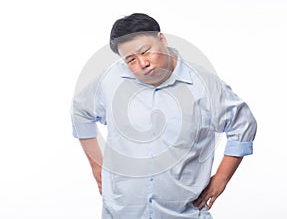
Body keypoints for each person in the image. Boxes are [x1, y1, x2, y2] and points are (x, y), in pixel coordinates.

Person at [71, 13, 257, 219]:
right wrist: (96, 165)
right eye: (131, 60)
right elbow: (81, 111)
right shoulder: (110, 81)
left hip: (184, 213)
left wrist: (221, 178)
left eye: (146, 51)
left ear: (162, 39)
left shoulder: (204, 84)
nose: (142, 64)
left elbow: (243, 124)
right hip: (120, 211)